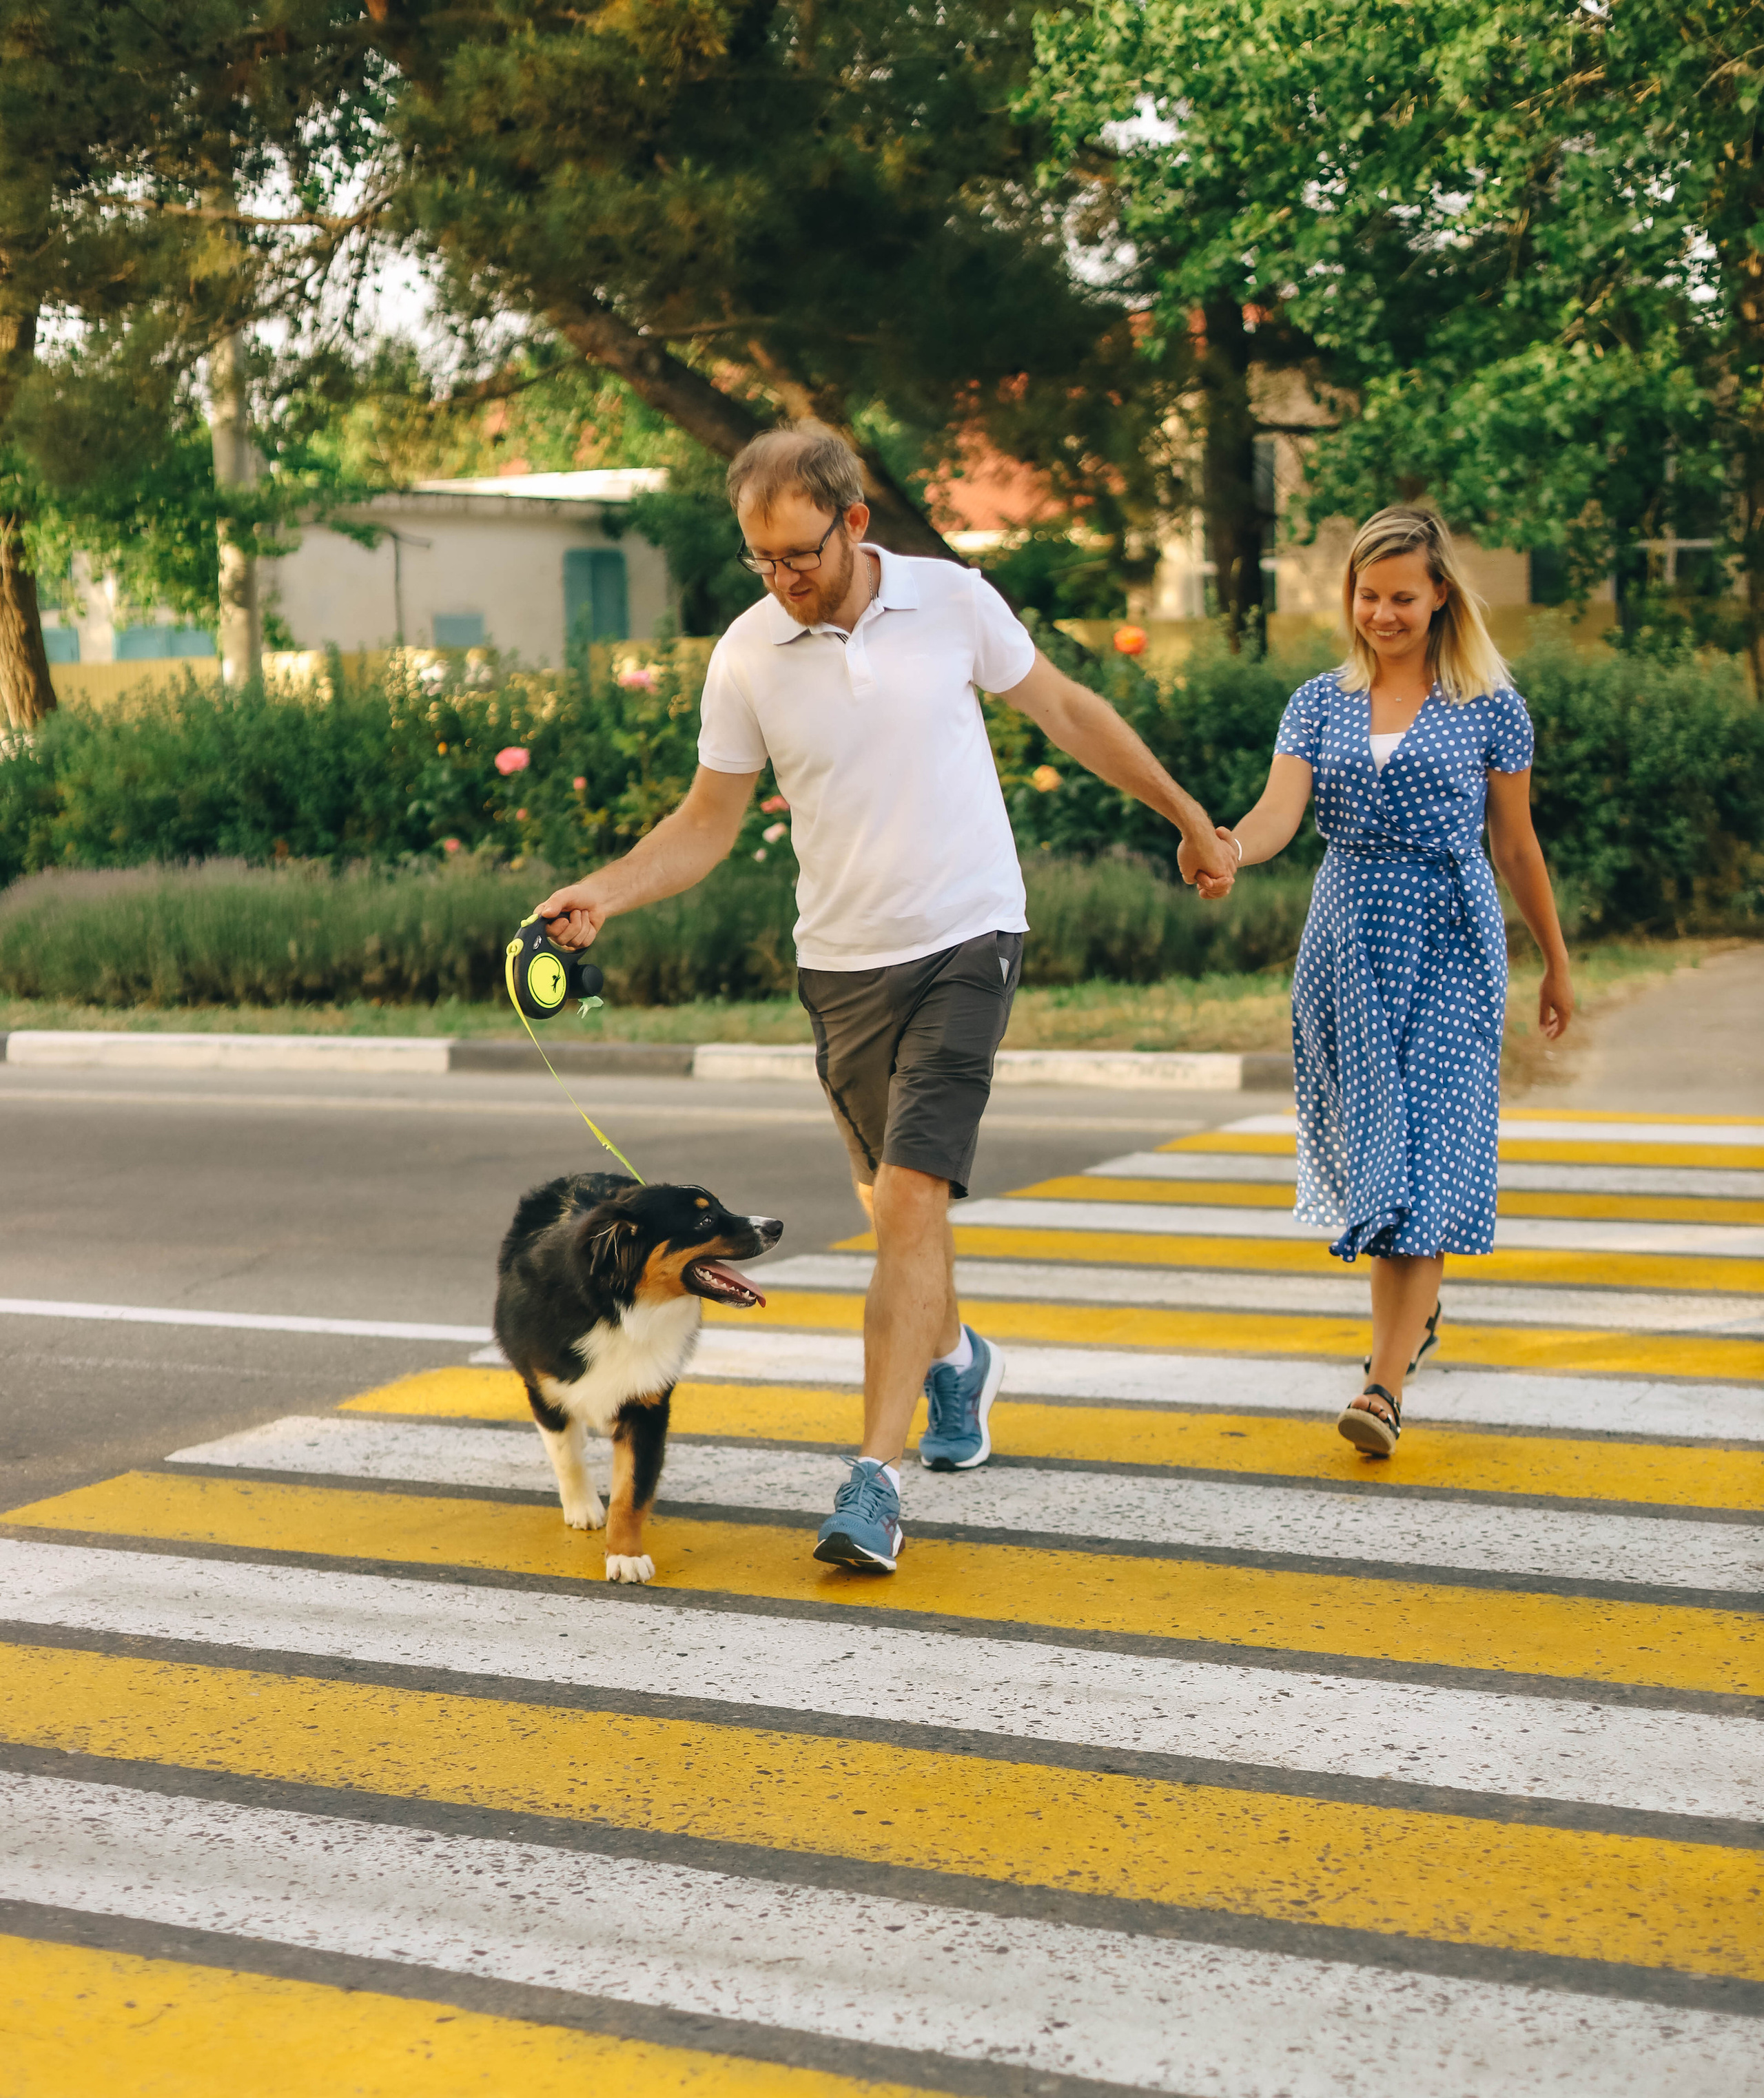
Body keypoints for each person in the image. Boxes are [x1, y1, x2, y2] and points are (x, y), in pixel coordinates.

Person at [537, 419, 1238, 1569]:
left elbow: (1068, 713)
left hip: (969, 934)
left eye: (799, 556)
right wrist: (607, 894)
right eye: (760, 562)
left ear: (854, 522)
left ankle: (873, 1481)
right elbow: (707, 822)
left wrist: (1188, 818)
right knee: (893, 1213)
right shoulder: (750, 654)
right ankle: (958, 1363)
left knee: (911, 1204)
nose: (782, 580)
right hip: (843, 968)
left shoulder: (953, 604)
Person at [1181, 504, 1574, 1457]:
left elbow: (1515, 847)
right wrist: (1230, 847)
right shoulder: (1317, 702)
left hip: (1450, 936)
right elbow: (1280, 811)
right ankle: (1409, 1331)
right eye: (1368, 595)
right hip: (1349, 939)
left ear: (1441, 596)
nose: (1383, 613)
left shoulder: (1491, 706)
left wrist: (1557, 961)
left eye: (1403, 596)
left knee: (1432, 1154)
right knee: (1383, 1164)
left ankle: (1383, 1385)